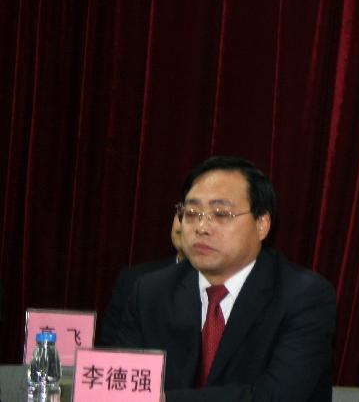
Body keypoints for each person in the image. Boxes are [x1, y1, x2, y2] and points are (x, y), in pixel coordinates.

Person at [116, 156, 336, 401]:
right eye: (192, 213)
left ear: (262, 224)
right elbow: (121, 384)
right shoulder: (151, 292)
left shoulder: (303, 297)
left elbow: (274, 397)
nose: (201, 227)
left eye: (221, 214)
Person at [98, 212, 186, 346]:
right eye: (182, 211)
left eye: (194, 214)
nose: (183, 221)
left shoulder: (217, 288)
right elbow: (107, 348)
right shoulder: (134, 280)